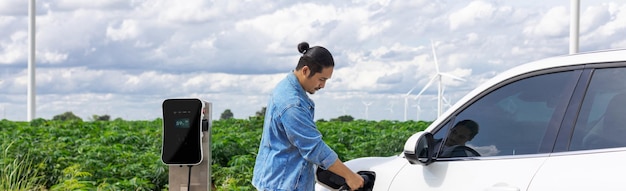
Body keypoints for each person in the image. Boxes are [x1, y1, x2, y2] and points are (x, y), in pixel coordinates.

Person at [252, 42, 364, 191]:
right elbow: (313, 148)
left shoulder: (285, 87)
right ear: (305, 70)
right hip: (283, 184)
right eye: (321, 79)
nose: (323, 85)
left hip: (275, 178)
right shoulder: (292, 104)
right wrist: (350, 176)